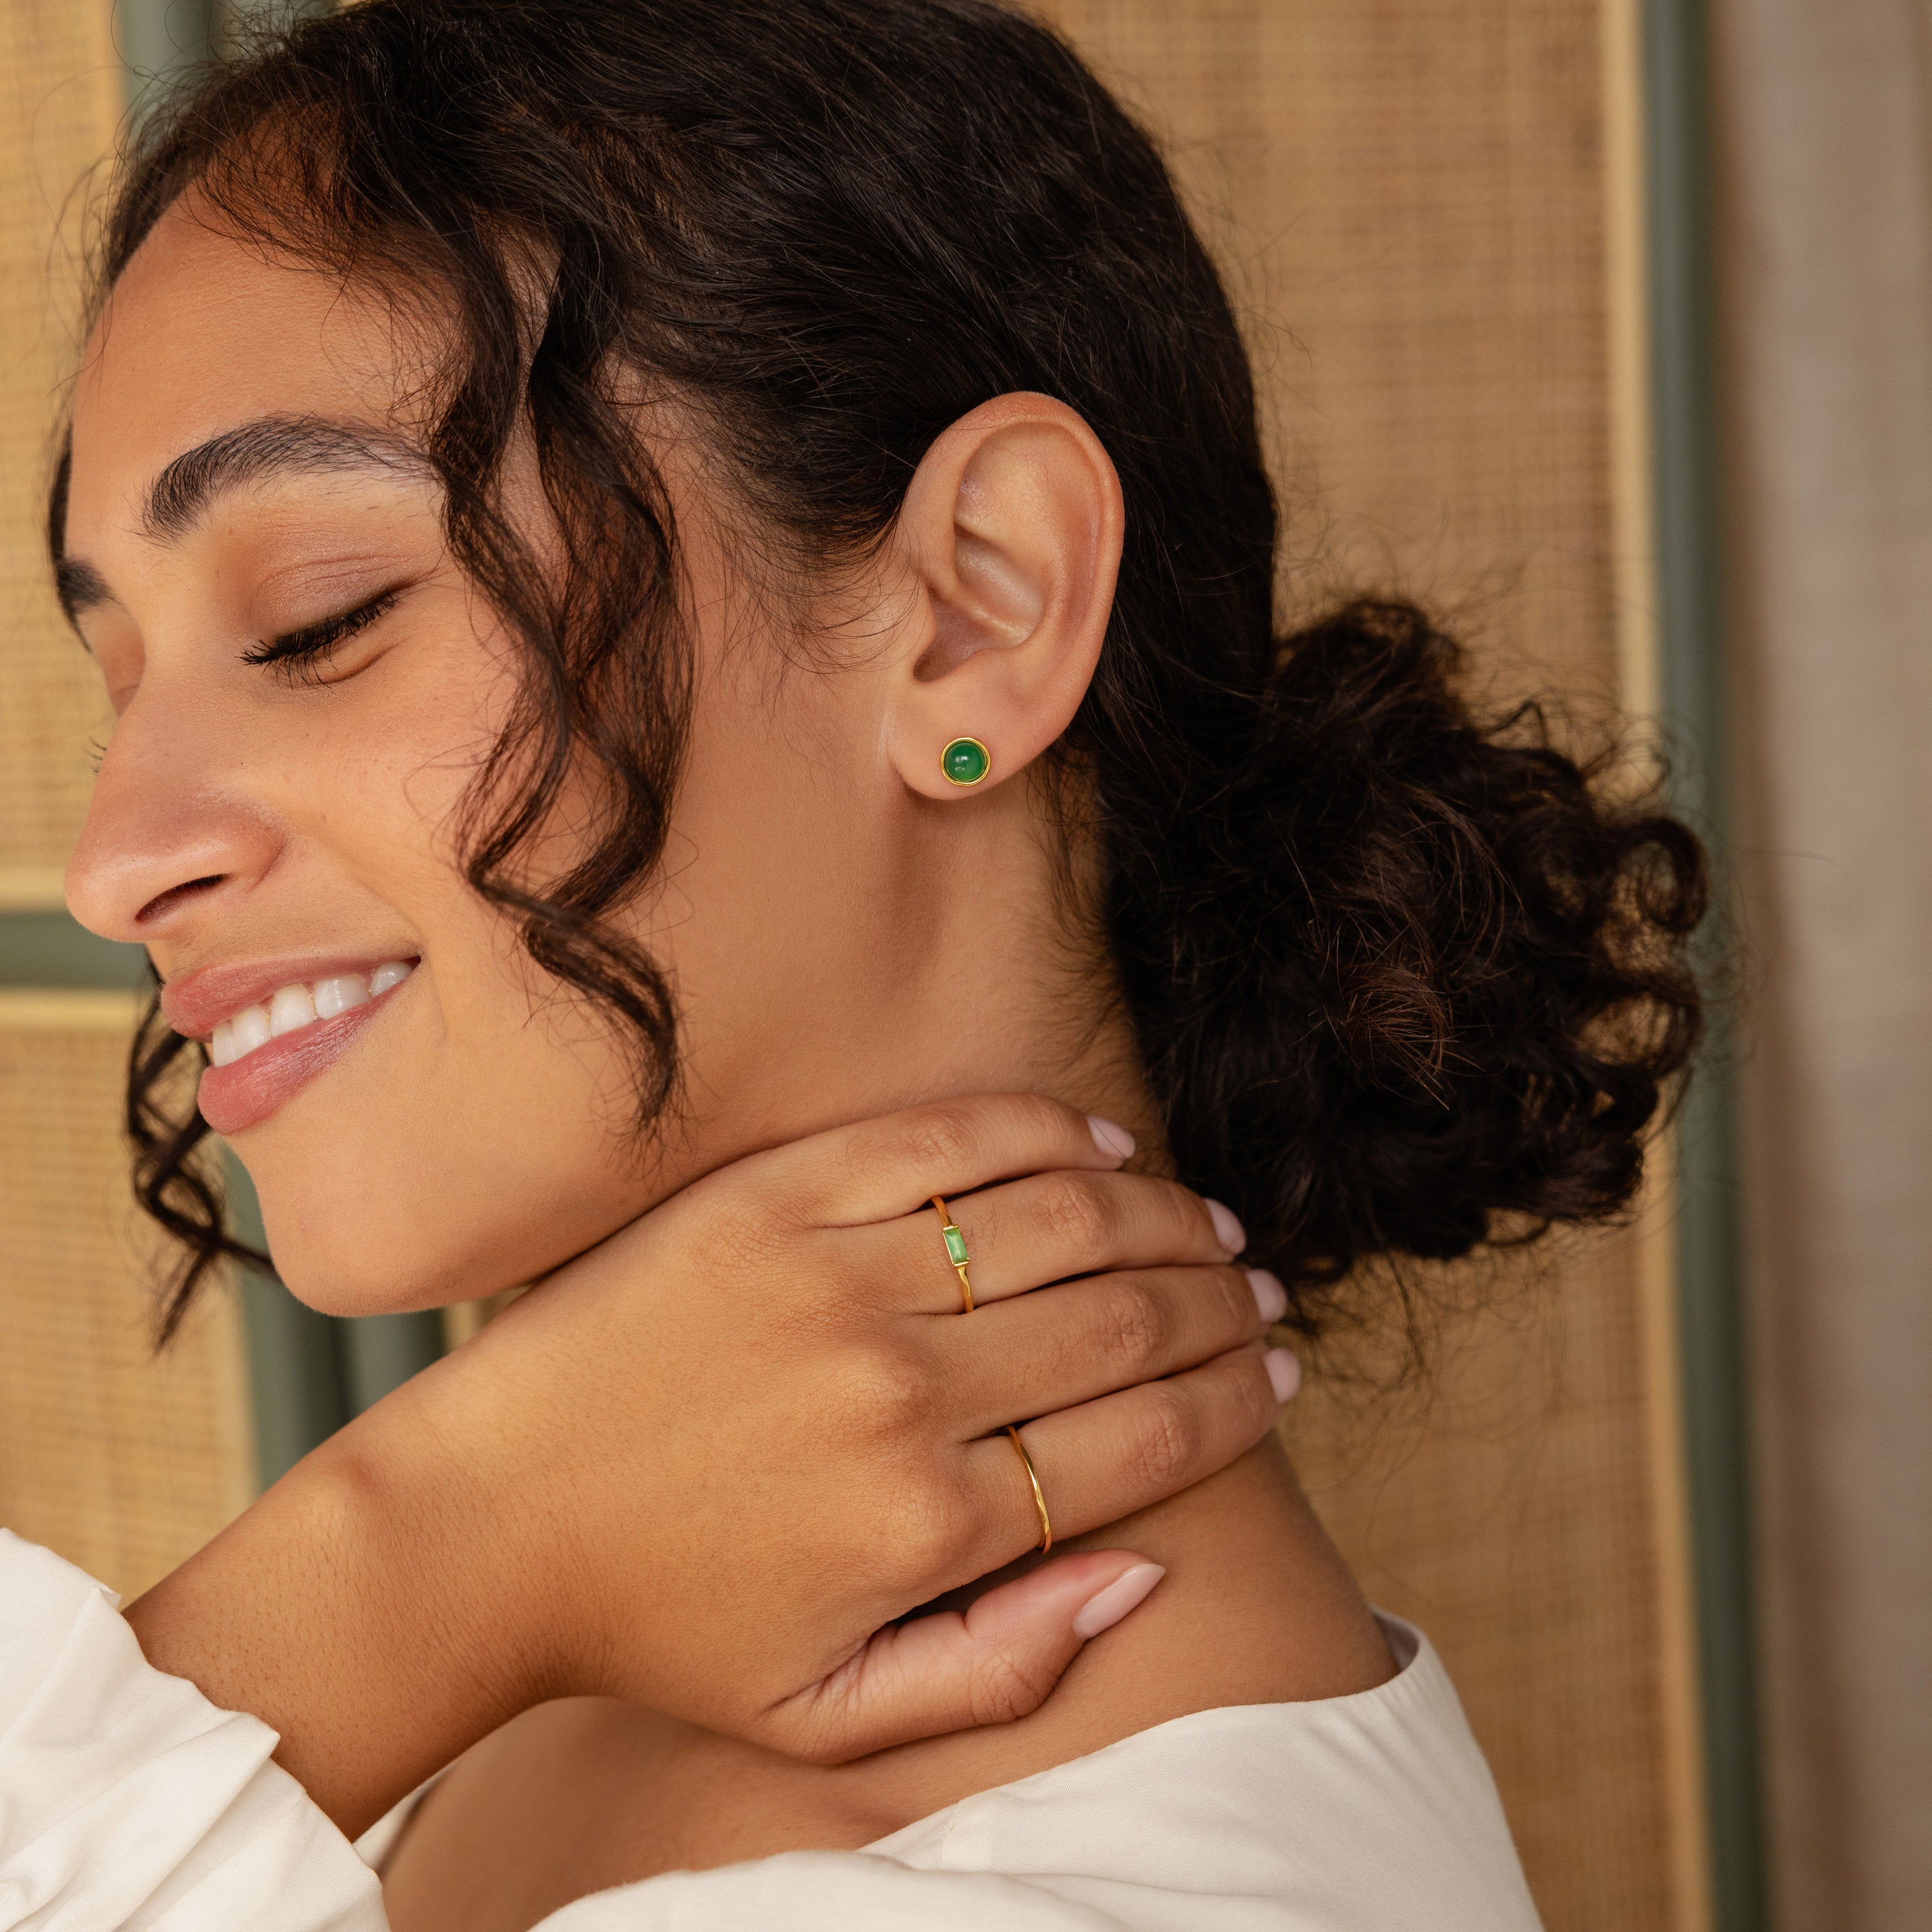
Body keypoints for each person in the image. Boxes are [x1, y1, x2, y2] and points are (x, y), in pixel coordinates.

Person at [0, 1, 1706, 1926]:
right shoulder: (568, 1692)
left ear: (981, 604)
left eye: (321, 618)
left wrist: (420, 1568)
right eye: (118, 678)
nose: (119, 860)